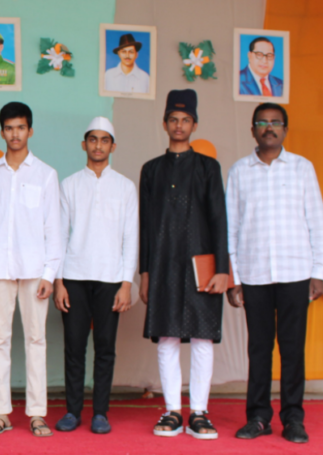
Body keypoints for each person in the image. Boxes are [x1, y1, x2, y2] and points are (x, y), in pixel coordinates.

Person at [226, 103, 321, 444]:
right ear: (253, 130)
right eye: (262, 122)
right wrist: (234, 278)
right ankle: (258, 417)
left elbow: (317, 222)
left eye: (276, 122)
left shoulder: (302, 168)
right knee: (259, 349)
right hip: (254, 274)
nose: (269, 127)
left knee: (292, 349)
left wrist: (318, 272)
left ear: (285, 129)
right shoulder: (239, 171)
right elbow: (231, 228)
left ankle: (293, 419)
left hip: (296, 271)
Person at [139, 89, 229, 440]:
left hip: (201, 264)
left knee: (203, 337)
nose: (179, 125)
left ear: (194, 124)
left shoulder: (208, 168)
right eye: (173, 120)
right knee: (167, 337)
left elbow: (219, 220)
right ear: (164, 124)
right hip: (162, 264)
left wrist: (222, 269)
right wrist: (145, 273)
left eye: (185, 120)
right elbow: (146, 227)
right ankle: (173, 411)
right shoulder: (151, 170)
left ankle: (200, 413)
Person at [0, 102, 60, 437]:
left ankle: (37, 413)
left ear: (30, 131)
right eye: (9, 128)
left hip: (35, 270)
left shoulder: (45, 174)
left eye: (21, 127)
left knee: (36, 340)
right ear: (1, 132)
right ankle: (1, 413)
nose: (15, 134)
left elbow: (53, 228)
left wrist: (50, 275)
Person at [53, 117, 137, 435]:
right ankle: (72, 412)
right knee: (74, 348)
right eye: (93, 139)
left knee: (105, 348)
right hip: (74, 277)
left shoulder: (125, 187)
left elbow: (131, 238)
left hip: (111, 278)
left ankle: (100, 413)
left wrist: (126, 283)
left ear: (112, 146)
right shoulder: (69, 185)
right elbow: (59, 236)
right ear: (84, 144)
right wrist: (59, 281)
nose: (98, 145)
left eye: (104, 140)